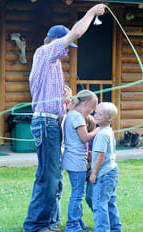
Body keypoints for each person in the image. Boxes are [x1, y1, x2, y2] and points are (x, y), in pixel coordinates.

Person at [24, 4, 106, 232]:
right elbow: (77, 32)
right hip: (46, 123)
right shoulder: (44, 54)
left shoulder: (54, 65)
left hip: (53, 123)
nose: (68, 50)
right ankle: (35, 225)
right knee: (48, 177)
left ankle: (49, 222)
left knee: (54, 177)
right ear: (55, 42)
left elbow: (53, 97)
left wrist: (66, 101)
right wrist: (91, 13)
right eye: (67, 46)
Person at [62, 90, 99, 232]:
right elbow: (85, 138)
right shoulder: (77, 117)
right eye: (92, 108)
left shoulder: (71, 115)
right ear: (85, 104)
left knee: (78, 193)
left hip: (73, 160)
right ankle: (72, 226)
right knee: (77, 194)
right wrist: (98, 130)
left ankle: (79, 223)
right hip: (76, 161)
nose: (92, 112)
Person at [89, 102, 122, 232]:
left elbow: (101, 156)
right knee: (110, 203)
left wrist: (93, 173)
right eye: (96, 112)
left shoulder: (102, 134)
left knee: (99, 205)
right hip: (112, 172)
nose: (95, 115)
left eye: (99, 114)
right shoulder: (108, 131)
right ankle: (115, 229)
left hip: (103, 174)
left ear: (110, 118)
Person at [50, 85, 73, 229]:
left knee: (58, 187)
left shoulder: (68, 116)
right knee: (55, 188)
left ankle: (56, 219)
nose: (66, 100)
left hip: (62, 155)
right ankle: (53, 220)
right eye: (64, 97)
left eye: (68, 97)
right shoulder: (59, 117)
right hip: (57, 155)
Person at [85, 114, 96, 211]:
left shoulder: (93, 139)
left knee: (90, 197)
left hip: (92, 171)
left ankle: (102, 218)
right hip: (83, 170)